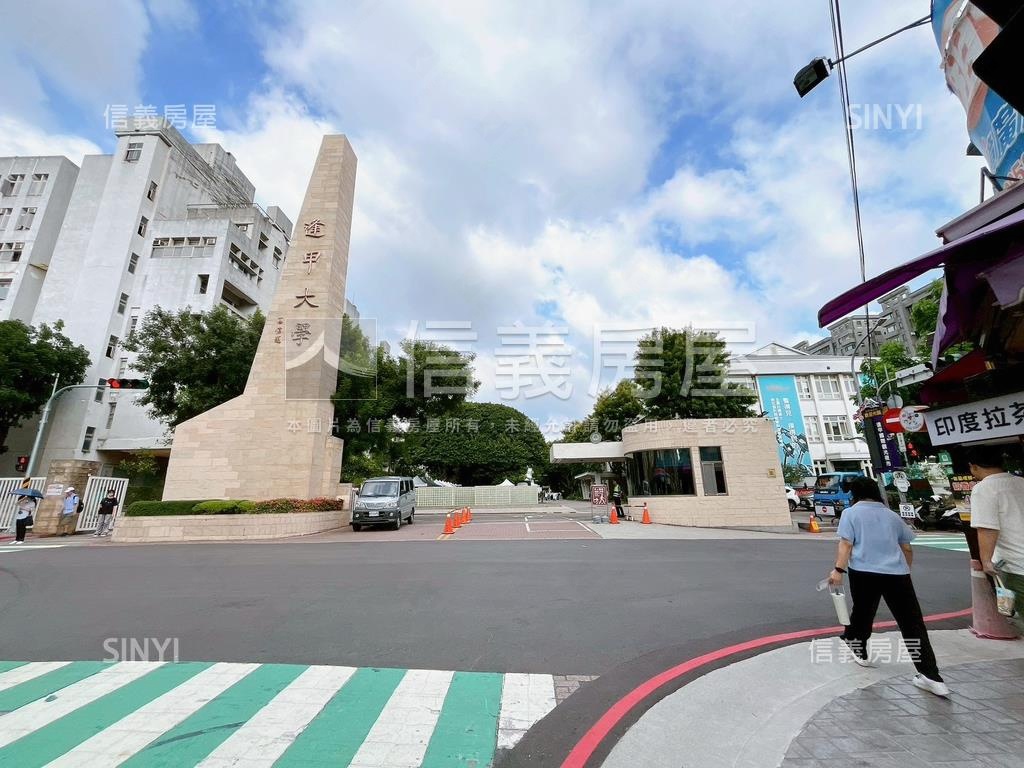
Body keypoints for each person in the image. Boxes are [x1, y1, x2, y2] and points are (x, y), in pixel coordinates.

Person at [827, 476, 948, 696]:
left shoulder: (851, 514)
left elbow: (846, 544)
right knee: (911, 623)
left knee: (863, 612)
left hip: (863, 573)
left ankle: (859, 650)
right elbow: (907, 548)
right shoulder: (892, 516)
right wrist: (904, 570)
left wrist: (838, 570)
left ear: (854, 494)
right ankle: (931, 675)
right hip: (897, 575)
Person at [967, 445, 1024, 632]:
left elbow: (987, 528)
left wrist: (986, 561)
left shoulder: (984, 489)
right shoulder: (1020, 482)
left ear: (974, 466)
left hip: (1016, 564)